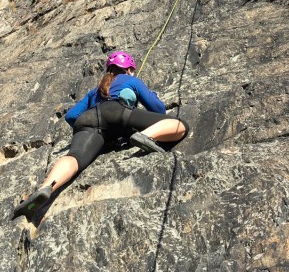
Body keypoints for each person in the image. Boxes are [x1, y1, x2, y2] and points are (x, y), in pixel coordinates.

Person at [13, 51, 189, 219]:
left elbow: (71, 116)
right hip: (119, 113)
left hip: (89, 121)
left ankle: (46, 187)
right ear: (129, 69)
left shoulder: (95, 91)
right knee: (180, 125)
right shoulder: (129, 79)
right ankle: (146, 136)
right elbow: (158, 109)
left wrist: (92, 127)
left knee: (75, 157)